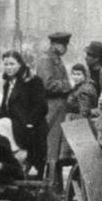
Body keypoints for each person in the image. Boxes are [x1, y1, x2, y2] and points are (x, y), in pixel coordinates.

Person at [33, 31, 72, 192]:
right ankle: (50, 186)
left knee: (55, 148)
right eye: (64, 45)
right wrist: (68, 85)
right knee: (51, 148)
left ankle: (55, 186)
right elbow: (47, 84)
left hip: (57, 110)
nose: (65, 49)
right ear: (56, 45)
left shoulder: (54, 59)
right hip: (50, 109)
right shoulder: (46, 60)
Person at [0, 50, 45, 174]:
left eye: (12, 64)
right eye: (6, 64)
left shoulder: (32, 81)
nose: (8, 68)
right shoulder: (7, 83)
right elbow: (5, 106)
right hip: (14, 123)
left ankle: (23, 159)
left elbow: (41, 105)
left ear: (20, 64)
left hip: (29, 126)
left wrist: (31, 123)